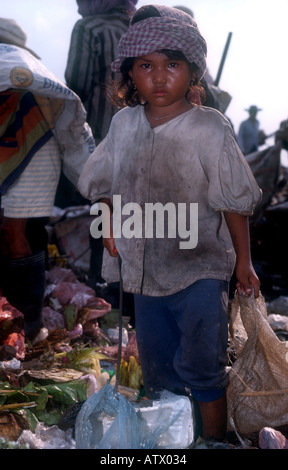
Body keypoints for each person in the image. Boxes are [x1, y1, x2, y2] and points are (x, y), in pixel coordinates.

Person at [78, 5, 262, 442]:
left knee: (202, 367)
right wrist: (107, 226)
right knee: (158, 367)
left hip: (198, 267)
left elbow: (234, 201)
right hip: (142, 271)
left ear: (192, 72)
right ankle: (173, 441)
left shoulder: (209, 128)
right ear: (130, 75)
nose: (159, 77)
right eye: (146, 66)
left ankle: (212, 439)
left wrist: (244, 263)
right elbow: (101, 179)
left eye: (172, 65)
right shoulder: (123, 125)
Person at [0, 18, 94, 342]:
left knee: (15, 233)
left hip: (35, 150)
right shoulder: (27, 68)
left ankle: (27, 324)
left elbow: (70, 128)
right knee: (11, 234)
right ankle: (15, 323)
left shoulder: (29, 76)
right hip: (21, 150)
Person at [63, 0, 138, 300]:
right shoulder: (137, 28)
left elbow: (75, 85)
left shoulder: (89, 28)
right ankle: (131, 297)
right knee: (136, 216)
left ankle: (103, 292)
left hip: (101, 137)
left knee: (104, 212)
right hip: (142, 137)